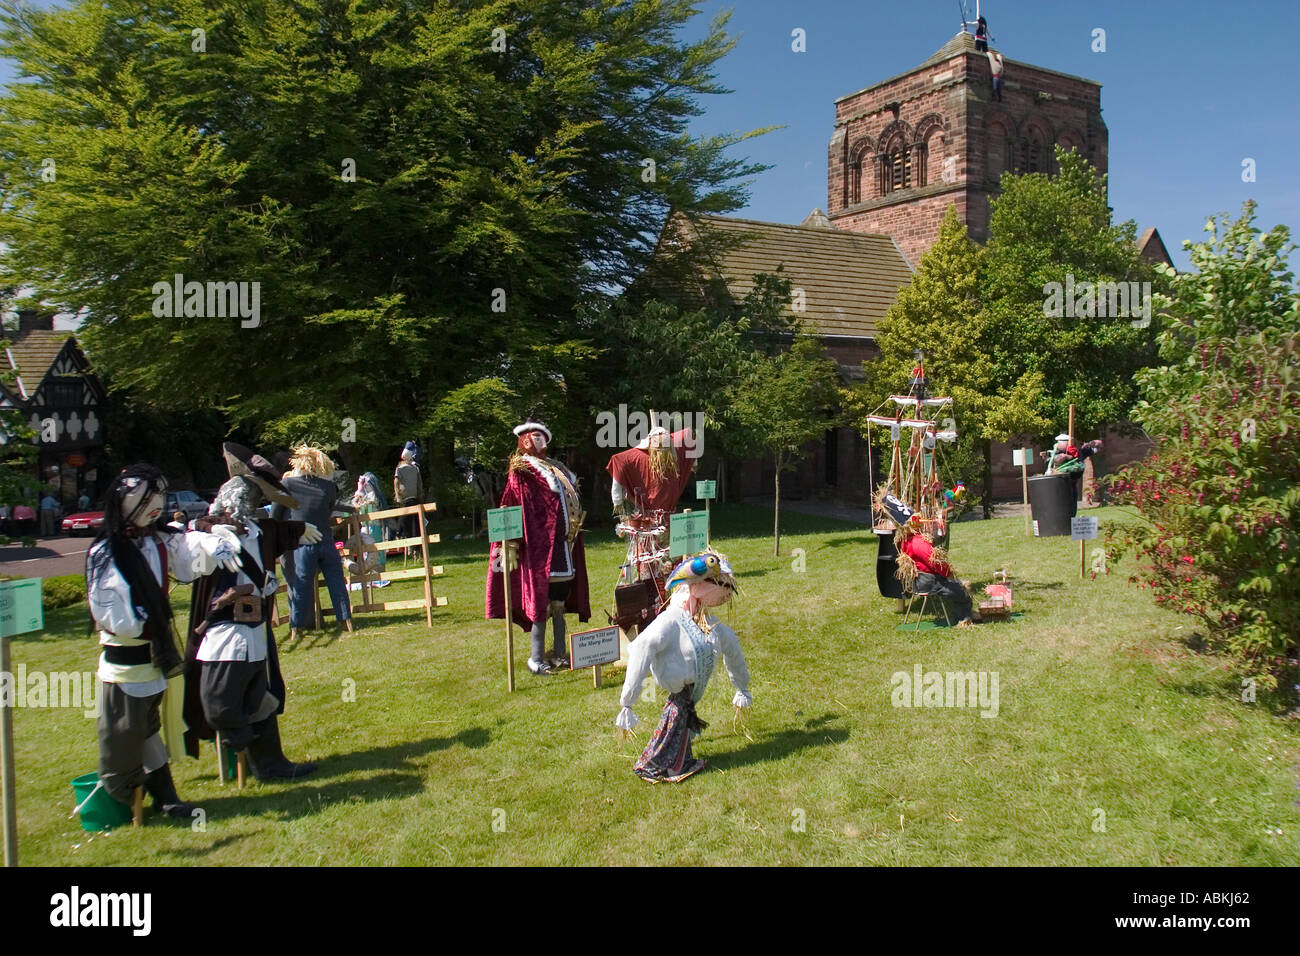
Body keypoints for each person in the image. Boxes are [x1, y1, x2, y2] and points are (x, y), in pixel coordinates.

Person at [86, 464, 241, 819]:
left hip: (154, 658)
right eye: (147, 499)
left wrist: (214, 543)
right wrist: (137, 618)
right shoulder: (106, 551)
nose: (156, 506)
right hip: (124, 661)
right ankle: (129, 794)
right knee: (125, 735)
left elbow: (186, 552)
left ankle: (166, 798)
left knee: (149, 729)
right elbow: (107, 605)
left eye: (159, 498)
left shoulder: (157, 541)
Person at [182, 443, 321, 779]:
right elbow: (185, 549)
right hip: (224, 633)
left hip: (255, 631)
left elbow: (282, 531)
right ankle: (240, 740)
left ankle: (272, 765)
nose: (245, 507)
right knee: (219, 701)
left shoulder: (259, 531)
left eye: (250, 500)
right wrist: (208, 530)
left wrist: (301, 529)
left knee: (260, 702)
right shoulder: (208, 534)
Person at [615, 550, 751, 783]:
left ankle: (681, 762)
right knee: (673, 724)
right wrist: (628, 700)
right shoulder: (672, 620)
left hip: (688, 694)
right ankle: (655, 765)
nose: (726, 593)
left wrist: (742, 686)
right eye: (717, 584)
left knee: (681, 725)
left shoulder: (709, 625)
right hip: (680, 692)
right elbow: (642, 646)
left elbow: (731, 646)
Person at [484, 421, 591, 675]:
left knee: (559, 599)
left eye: (542, 437)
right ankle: (536, 658)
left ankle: (559, 653)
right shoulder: (521, 471)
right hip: (537, 551)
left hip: (563, 548)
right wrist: (507, 544)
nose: (539, 441)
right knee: (541, 601)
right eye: (535, 437)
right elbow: (508, 506)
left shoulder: (556, 469)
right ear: (525, 439)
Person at [272, 444, 354, 639]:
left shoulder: (288, 485)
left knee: (301, 585)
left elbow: (275, 514)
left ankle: (296, 628)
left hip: (303, 543)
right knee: (337, 583)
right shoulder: (329, 487)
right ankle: (346, 620)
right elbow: (328, 509)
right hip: (326, 541)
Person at [894, 516, 977, 627]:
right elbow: (935, 562)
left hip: (917, 581)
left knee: (959, 588)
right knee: (963, 591)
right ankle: (964, 619)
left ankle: (966, 616)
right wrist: (948, 573)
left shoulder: (905, 541)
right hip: (929, 582)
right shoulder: (918, 542)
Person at [393, 441, 424, 542]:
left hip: (410, 498)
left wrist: (398, 496)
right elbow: (396, 482)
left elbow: (418, 484)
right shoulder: (405, 469)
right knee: (408, 520)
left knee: (410, 521)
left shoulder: (413, 468)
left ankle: (401, 535)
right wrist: (398, 495)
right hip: (408, 498)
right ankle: (401, 535)